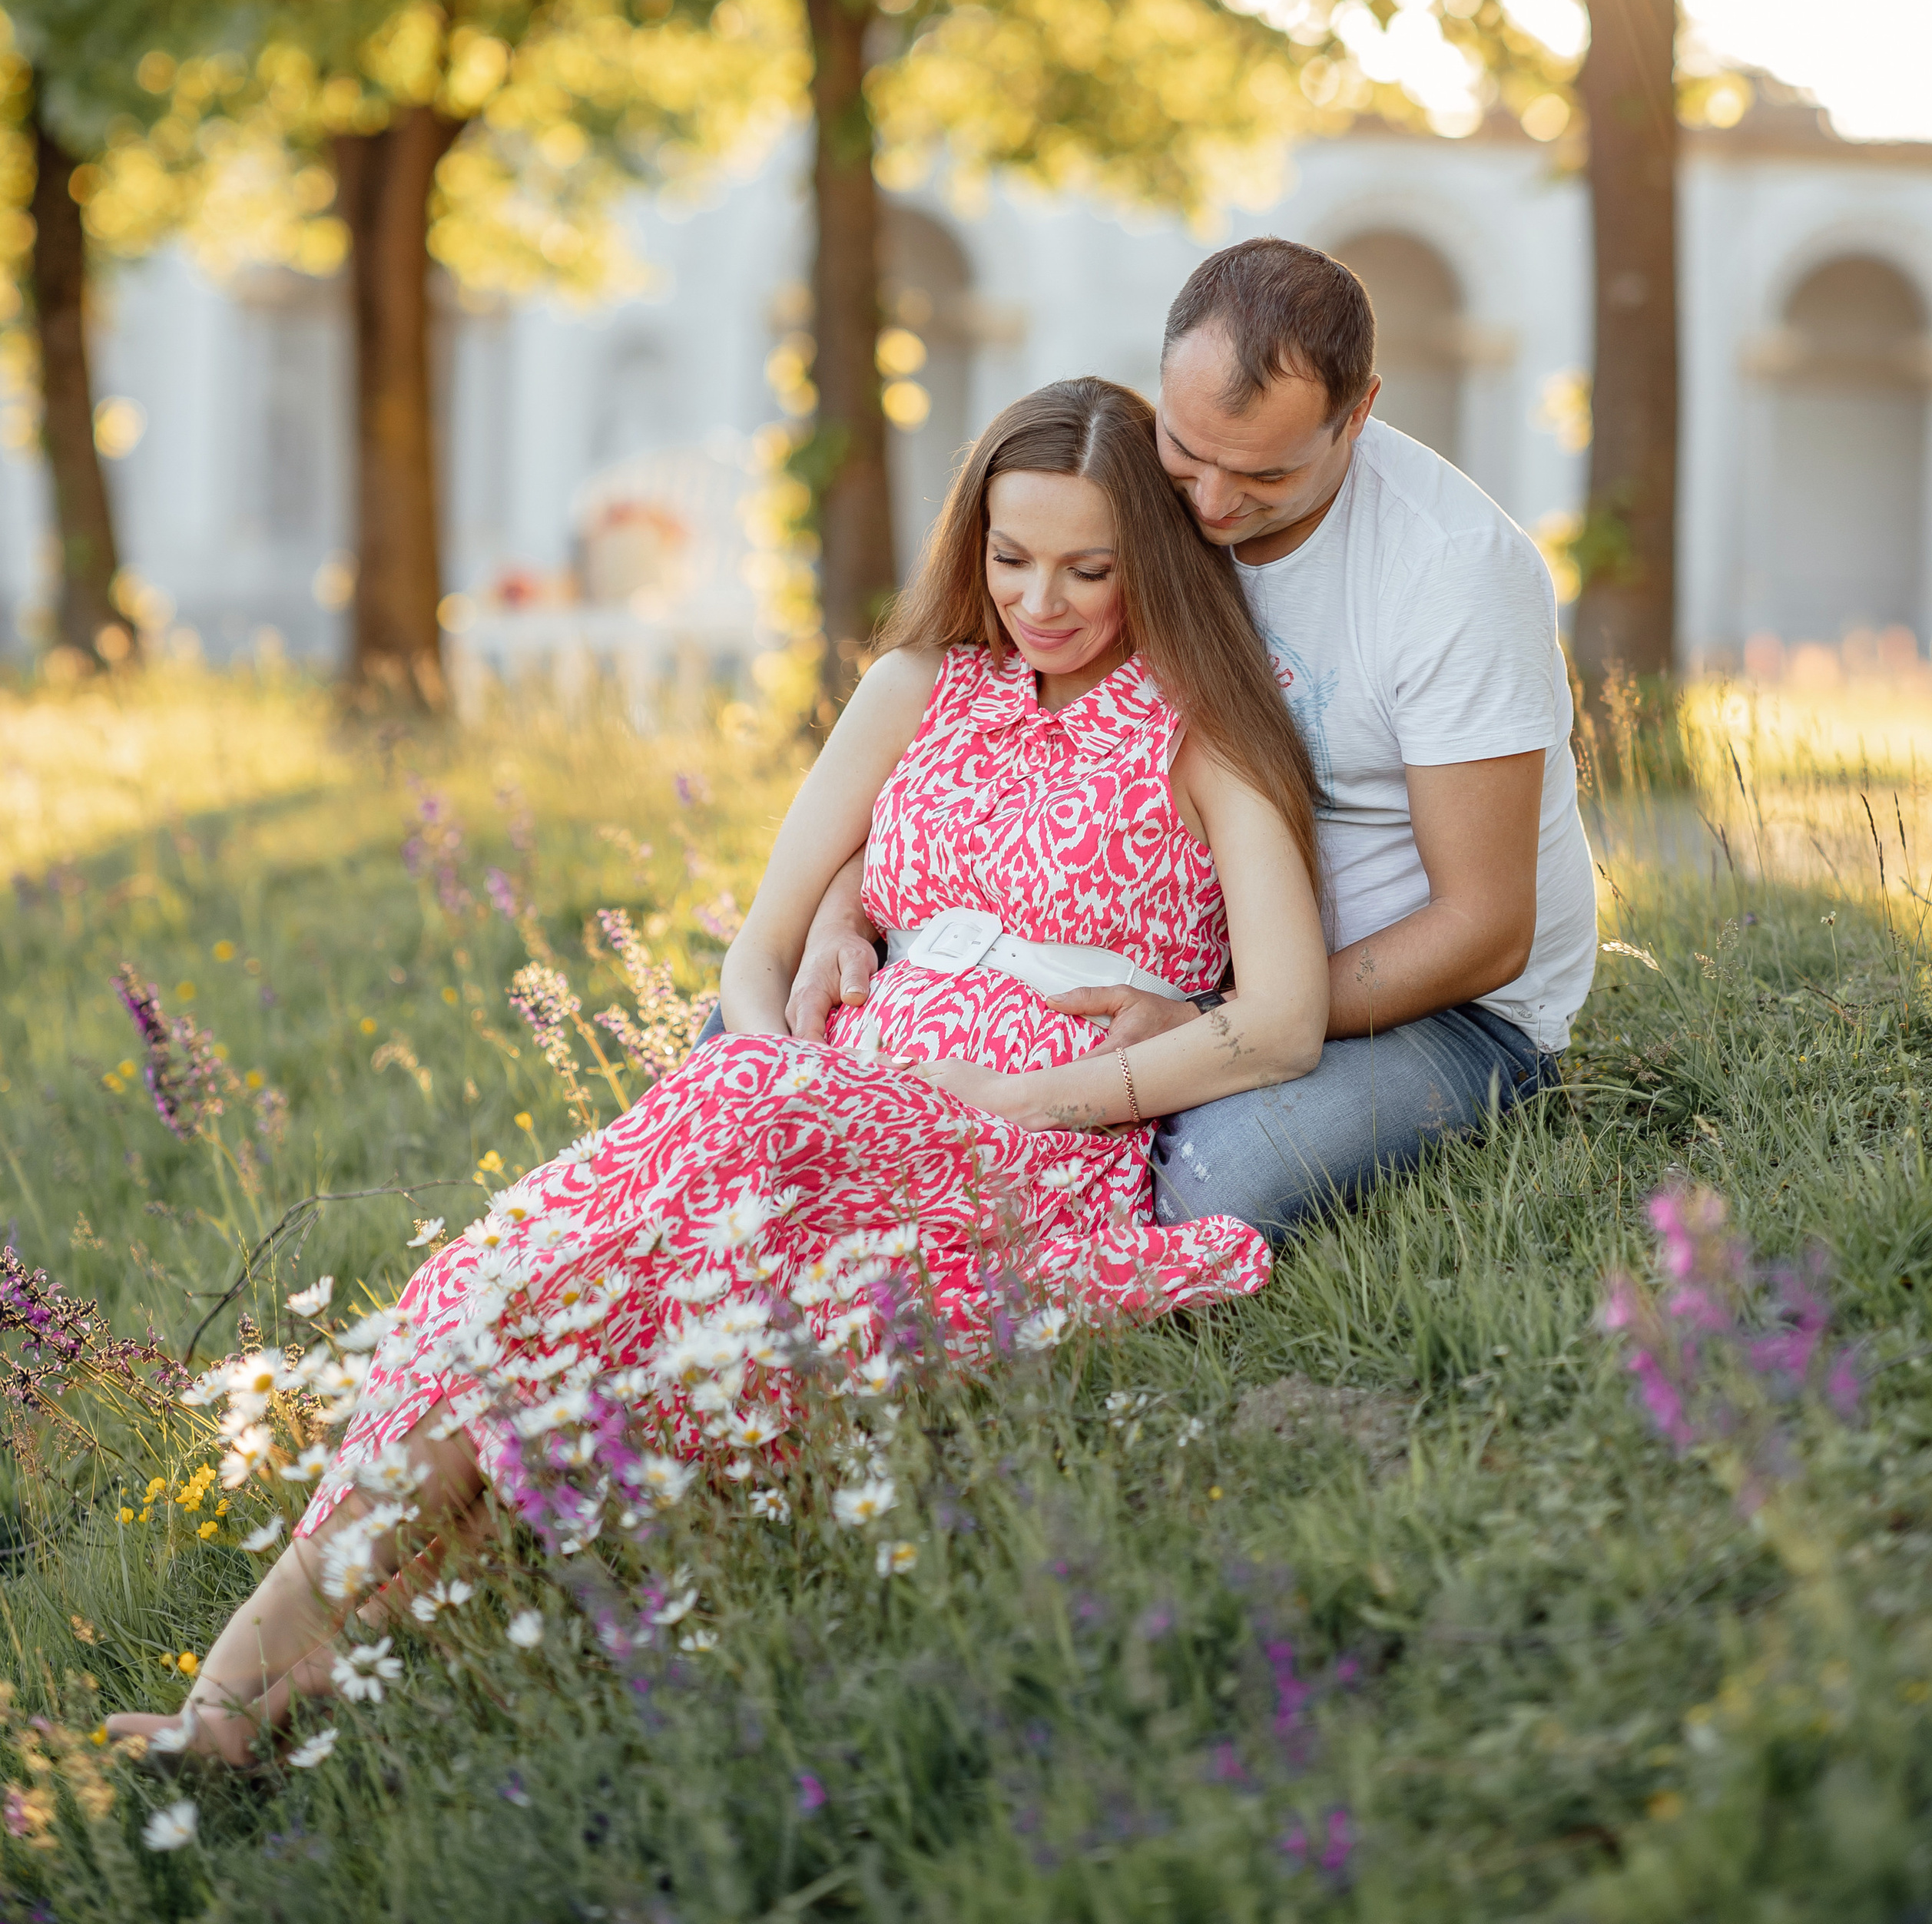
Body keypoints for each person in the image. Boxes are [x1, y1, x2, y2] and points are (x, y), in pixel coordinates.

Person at [109, 376, 1327, 1765]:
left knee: (577, 1310)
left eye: (1088, 568)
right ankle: (245, 1699)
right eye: (1009, 558)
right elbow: (752, 966)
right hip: (801, 1111)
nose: (1040, 599)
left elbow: (1282, 1022)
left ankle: (258, 1698)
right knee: (536, 1303)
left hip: (1018, 1143)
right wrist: (772, 1059)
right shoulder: (919, 686)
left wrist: (1014, 1097)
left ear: (1154, 561)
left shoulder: (1209, 726)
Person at [790, 237, 1596, 1244]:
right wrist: (839, 918)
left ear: (1360, 414)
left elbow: (1485, 928)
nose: (1210, 505)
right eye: (1189, 451)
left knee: (1208, 1186)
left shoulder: (1451, 573)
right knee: (767, 1049)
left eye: (1265, 473)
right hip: (1174, 973)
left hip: (1434, 1010)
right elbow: (959, 752)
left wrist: (1220, 1016)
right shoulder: (1131, 490)